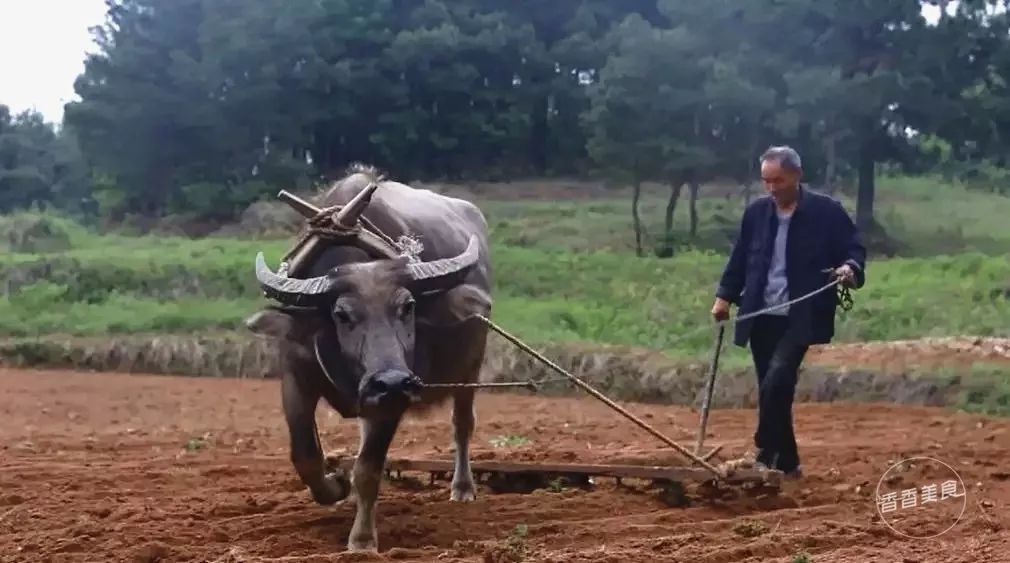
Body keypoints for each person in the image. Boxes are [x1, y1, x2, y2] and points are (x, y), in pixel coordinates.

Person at [711, 145, 866, 479]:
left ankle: (765, 450)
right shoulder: (756, 213)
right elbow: (740, 258)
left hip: (802, 314)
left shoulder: (827, 212)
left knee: (778, 378)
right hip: (760, 312)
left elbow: (854, 248)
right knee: (773, 386)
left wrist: (849, 268)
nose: (771, 188)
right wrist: (723, 296)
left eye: (777, 180)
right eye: (766, 181)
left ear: (796, 175)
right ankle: (789, 463)